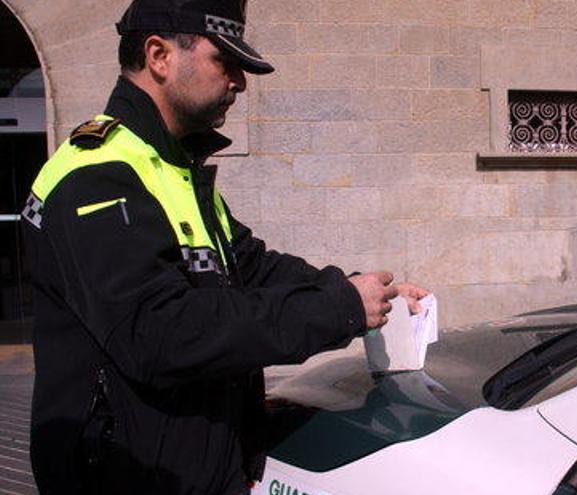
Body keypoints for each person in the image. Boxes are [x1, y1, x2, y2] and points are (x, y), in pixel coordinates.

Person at [20, 1, 427, 493]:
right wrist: (338, 309)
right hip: (127, 477)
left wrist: (360, 291)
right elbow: (160, 334)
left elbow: (250, 266)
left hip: (198, 470)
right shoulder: (98, 175)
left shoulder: (172, 165)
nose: (240, 81)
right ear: (159, 55)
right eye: (225, 61)